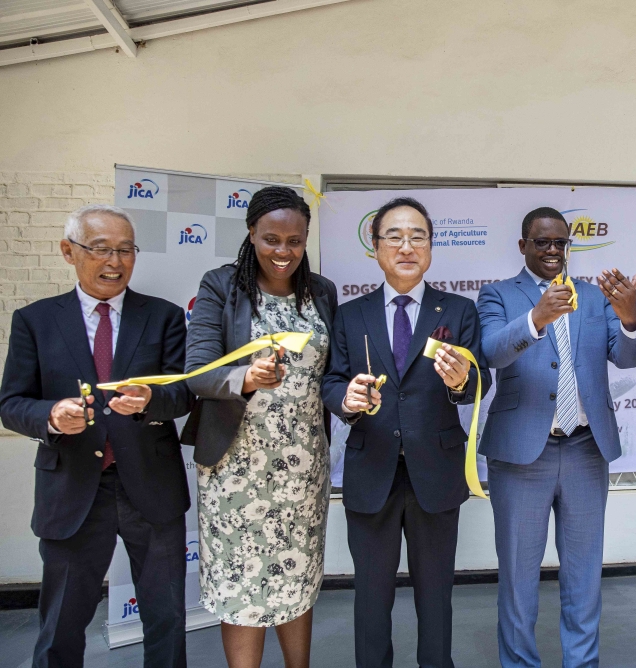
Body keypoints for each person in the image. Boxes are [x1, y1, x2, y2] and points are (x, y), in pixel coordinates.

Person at [0, 204, 193, 668]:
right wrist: (52, 415)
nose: (115, 261)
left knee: (166, 620)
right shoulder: (36, 321)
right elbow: (11, 403)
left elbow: (183, 395)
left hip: (151, 487)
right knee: (61, 624)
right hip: (71, 489)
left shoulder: (163, 317)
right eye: (101, 249)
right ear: (69, 252)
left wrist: (149, 399)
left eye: (125, 250)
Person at [476, 207, 636, 668]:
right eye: (542, 243)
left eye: (560, 243)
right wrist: (536, 318)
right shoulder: (496, 295)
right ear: (523, 246)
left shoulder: (594, 298)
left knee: (583, 577)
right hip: (520, 456)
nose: (553, 251)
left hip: (585, 451)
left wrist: (630, 319)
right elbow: (491, 352)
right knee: (518, 579)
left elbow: (629, 358)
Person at [323, 196, 491, 668]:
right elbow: (332, 380)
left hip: (435, 473)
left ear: (432, 247)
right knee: (370, 600)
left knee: (435, 597)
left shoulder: (458, 310)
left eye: (418, 236)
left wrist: (462, 382)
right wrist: (345, 399)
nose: (406, 246)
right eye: (394, 236)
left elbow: (480, 378)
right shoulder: (350, 314)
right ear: (375, 247)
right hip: (370, 468)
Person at [182, 186, 337, 668]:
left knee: (297, 578)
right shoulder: (222, 287)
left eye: (295, 240)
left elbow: (331, 372)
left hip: (303, 468)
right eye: (271, 239)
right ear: (251, 234)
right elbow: (197, 371)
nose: (283, 252)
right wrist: (244, 378)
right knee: (240, 584)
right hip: (236, 468)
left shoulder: (322, 292)